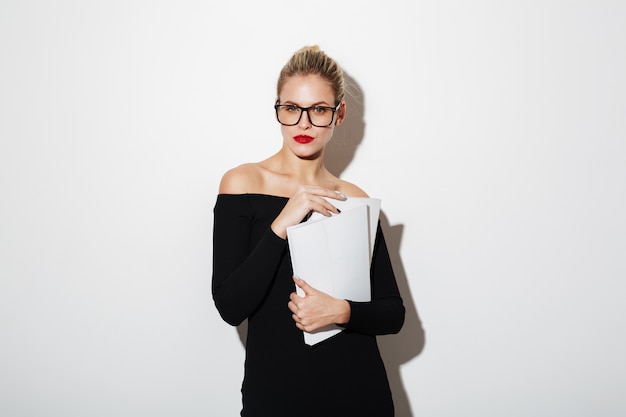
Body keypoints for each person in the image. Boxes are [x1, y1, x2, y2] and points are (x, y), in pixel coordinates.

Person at [212, 45, 405, 417]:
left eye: (318, 110)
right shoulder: (241, 183)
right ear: (278, 110)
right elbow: (230, 306)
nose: (303, 124)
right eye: (291, 109)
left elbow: (392, 313)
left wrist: (341, 311)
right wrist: (285, 219)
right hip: (277, 396)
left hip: (360, 394)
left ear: (339, 114)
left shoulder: (354, 199)